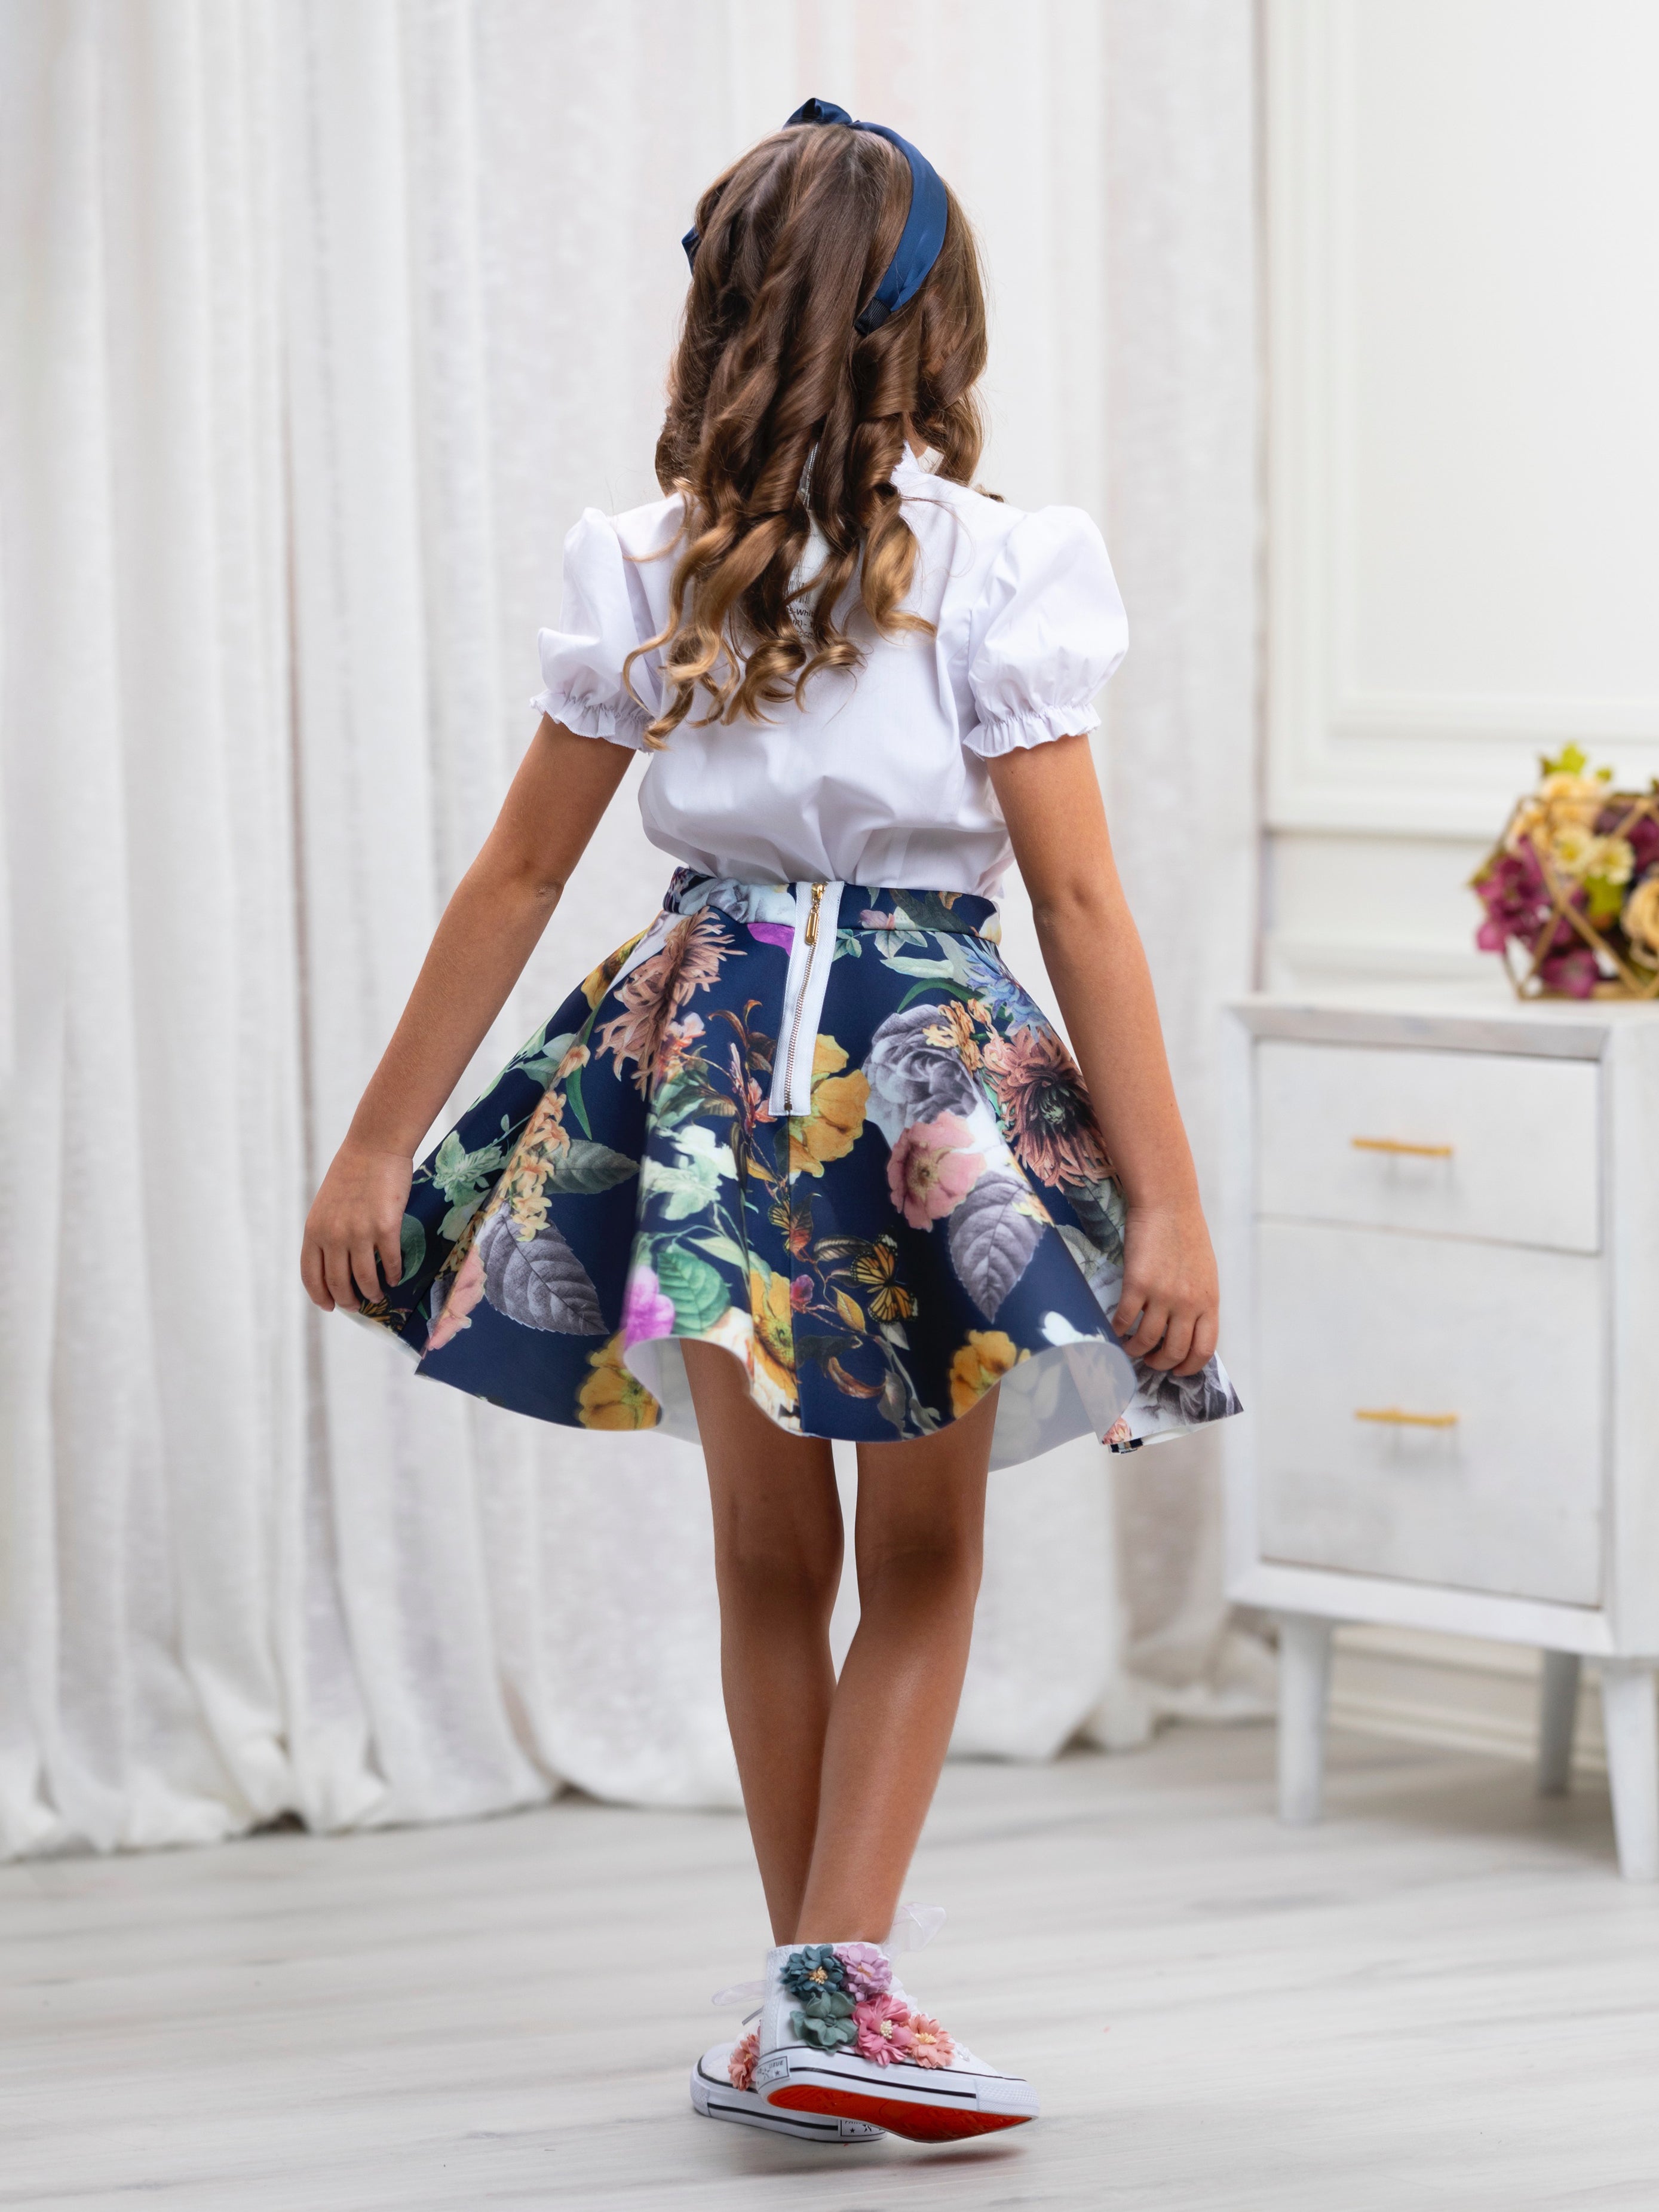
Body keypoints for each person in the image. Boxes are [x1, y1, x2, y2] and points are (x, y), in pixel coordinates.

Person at [300, 99, 1239, 2149]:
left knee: (766, 1551)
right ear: (940, 326)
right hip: (914, 1070)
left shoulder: (654, 561)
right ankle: (833, 1989)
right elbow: (1076, 902)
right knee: (922, 1550)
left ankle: (813, 1992)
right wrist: (1165, 1207)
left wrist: (380, 1145)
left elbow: (518, 877)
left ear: (718, 316)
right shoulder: (996, 564)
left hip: (710, 1066)